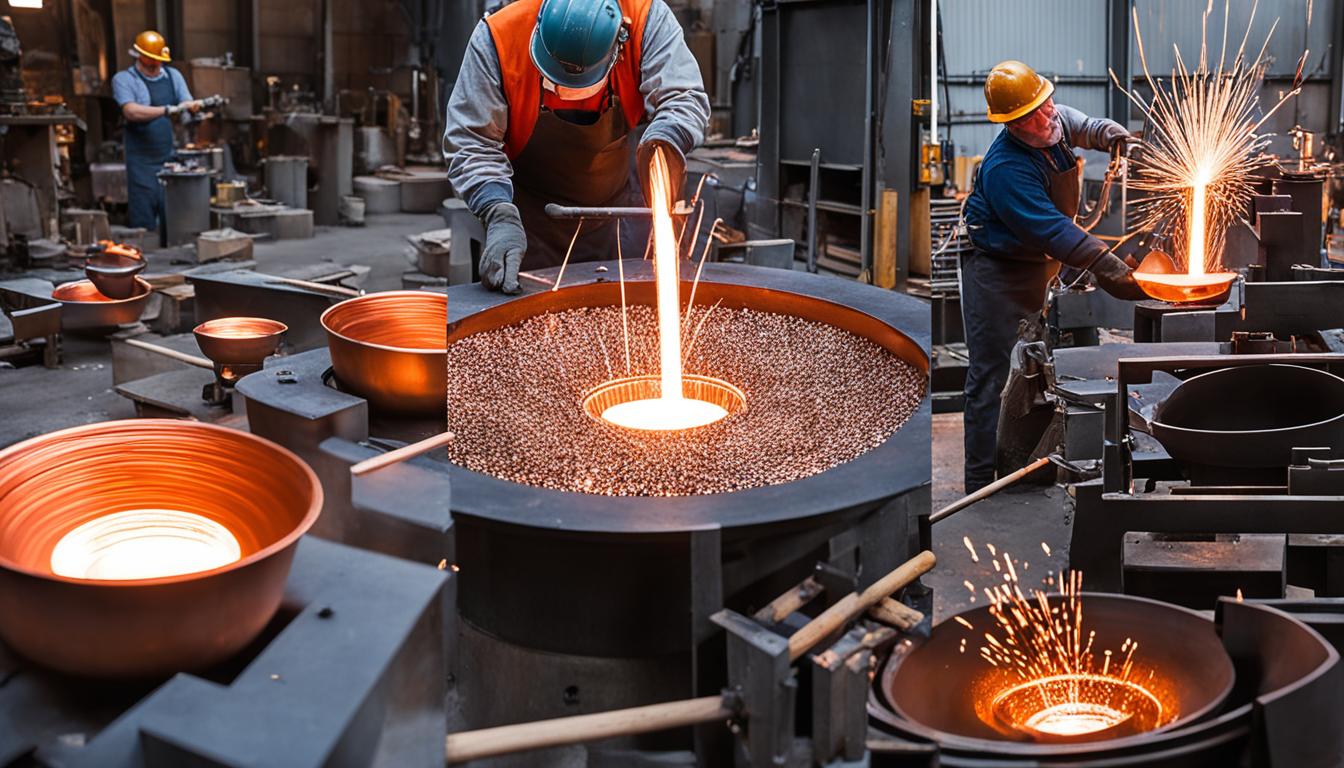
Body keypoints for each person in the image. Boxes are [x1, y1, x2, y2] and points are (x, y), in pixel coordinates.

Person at [959, 60, 1146, 493]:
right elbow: (1051, 228)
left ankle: (1026, 462)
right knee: (990, 377)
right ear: (1013, 125)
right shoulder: (1006, 168)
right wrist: (1105, 263)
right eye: (1033, 117)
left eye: (1047, 106)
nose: (1048, 118)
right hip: (997, 271)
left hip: (1038, 261)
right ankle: (978, 486)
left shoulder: (1051, 118)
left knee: (1036, 365)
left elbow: (1081, 124)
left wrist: (1107, 133)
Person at [444, 0, 710, 294]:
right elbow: (471, 141)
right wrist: (497, 211)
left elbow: (683, 98)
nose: (568, 92)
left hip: (618, 216)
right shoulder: (499, 38)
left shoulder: (645, 18)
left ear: (619, 41)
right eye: (558, 79)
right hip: (531, 224)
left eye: (581, 80)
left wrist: (666, 140)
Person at [111, 31, 203, 238]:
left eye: (160, 59)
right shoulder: (124, 80)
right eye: (153, 59)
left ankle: (170, 249)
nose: (157, 64)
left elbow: (186, 103)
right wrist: (166, 110)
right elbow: (131, 111)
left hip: (167, 156)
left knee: (171, 209)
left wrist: (195, 107)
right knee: (144, 210)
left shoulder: (173, 76)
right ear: (139, 55)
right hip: (141, 160)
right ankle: (145, 259)